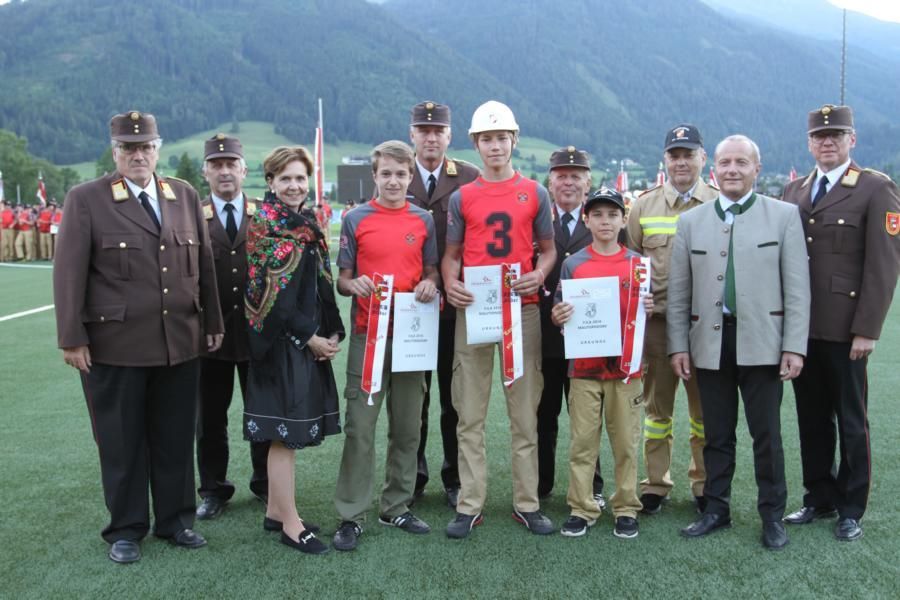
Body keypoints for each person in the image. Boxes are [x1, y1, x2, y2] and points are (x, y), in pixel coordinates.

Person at [53, 110, 224, 564]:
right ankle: (126, 529)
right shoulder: (87, 199)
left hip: (179, 342)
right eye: (128, 148)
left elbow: (203, 264)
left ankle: (175, 521)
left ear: (157, 149)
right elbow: (68, 272)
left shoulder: (182, 195)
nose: (138, 155)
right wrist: (72, 337)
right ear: (115, 152)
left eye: (145, 146)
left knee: (175, 437)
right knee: (122, 442)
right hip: (117, 346)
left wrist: (212, 323)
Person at [668, 135, 810, 550]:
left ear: (756, 169)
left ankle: (772, 516)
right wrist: (678, 346)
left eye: (741, 162)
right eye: (725, 162)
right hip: (709, 344)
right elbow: (679, 293)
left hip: (764, 343)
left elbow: (797, 290)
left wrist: (794, 346)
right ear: (714, 167)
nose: (732, 169)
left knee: (767, 436)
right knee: (716, 434)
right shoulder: (691, 222)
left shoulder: (784, 216)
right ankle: (716, 509)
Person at [781, 105, 900, 541]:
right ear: (809, 143)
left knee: (851, 419)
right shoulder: (794, 190)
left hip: (847, 330)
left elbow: (884, 265)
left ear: (853, 139)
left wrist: (867, 328)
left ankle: (851, 507)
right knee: (811, 419)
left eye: (836, 134)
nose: (827, 141)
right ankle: (819, 496)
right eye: (819, 136)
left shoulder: (875, 188)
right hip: (801, 329)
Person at [442, 100, 557, 538]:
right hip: (474, 309)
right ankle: (469, 504)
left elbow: (548, 250)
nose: (495, 146)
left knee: (524, 413)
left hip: (521, 311)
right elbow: (452, 255)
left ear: (514, 140)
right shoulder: (463, 197)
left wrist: (539, 275)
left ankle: (527, 503)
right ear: (475, 143)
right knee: (469, 413)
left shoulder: (535, 192)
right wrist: (450, 283)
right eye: (487, 139)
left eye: (502, 138)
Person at [332, 140, 439, 551]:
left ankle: (396, 505)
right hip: (368, 334)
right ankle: (351, 514)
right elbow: (343, 280)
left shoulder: (423, 220)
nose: (393, 181)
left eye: (401, 174)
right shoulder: (355, 218)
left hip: (412, 335)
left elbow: (431, 272)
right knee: (360, 427)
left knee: (408, 427)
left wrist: (430, 283)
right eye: (386, 173)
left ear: (410, 177)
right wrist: (354, 284)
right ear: (374, 176)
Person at [243, 145, 343, 555]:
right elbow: (273, 299)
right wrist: (310, 337)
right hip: (278, 346)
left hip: (305, 342)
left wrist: (332, 330)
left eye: (300, 178)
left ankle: (275, 511)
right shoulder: (264, 223)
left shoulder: (310, 222)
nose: (294, 185)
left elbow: (320, 281)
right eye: (285, 178)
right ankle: (290, 523)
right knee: (284, 436)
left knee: (291, 432)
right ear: (270, 182)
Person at [626, 124, 718, 515]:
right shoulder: (642, 207)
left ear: (703, 158)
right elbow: (629, 264)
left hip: (703, 325)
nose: (681, 162)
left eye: (688, 155)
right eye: (674, 155)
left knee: (704, 413)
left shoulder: (719, 203)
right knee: (656, 412)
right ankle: (655, 484)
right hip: (658, 326)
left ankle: (704, 483)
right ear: (665, 159)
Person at [552, 188, 653, 539]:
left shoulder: (639, 265)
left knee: (625, 444)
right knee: (582, 443)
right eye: (597, 214)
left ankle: (626, 507)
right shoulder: (573, 264)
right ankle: (582, 508)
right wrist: (558, 315)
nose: (605, 221)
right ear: (587, 220)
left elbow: (645, 312)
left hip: (626, 370)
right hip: (584, 370)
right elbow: (560, 309)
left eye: (612, 214)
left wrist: (650, 307)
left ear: (624, 219)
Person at [406, 101, 479, 507]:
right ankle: (413, 477)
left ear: (449, 135)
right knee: (413, 399)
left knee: (455, 400)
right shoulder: (397, 173)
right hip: (412, 307)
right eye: (423, 130)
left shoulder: (468, 177)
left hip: (454, 308)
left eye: (438, 131)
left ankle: (453, 477)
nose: (431, 137)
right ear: (412, 134)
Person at [195, 134, 270, 521]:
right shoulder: (193, 215)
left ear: (244, 170)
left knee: (262, 413)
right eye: (216, 165)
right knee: (210, 418)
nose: (224, 171)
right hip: (211, 335)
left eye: (231, 164)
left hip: (258, 335)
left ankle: (266, 484)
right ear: (205, 171)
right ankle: (213, 489)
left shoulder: (264, 215)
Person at [536, 146, 605, 508]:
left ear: (587, 182)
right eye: (561, 176)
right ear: (550, 182)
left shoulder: (600, 220)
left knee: (587, 418)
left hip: (589, 338)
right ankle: (540, 484)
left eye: (576, 176)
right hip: (543, 339)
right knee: (543, 416)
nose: (568, 182)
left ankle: (592, 485)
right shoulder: (536, 220)